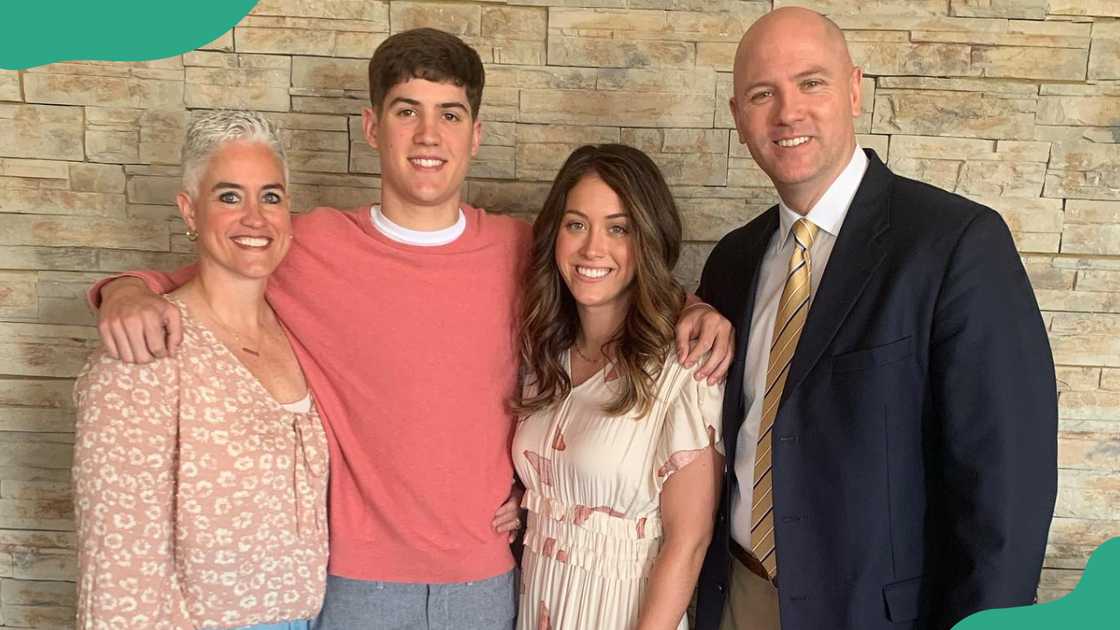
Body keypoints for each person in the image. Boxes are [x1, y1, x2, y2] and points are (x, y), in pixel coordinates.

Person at [88, 29, 734, 630]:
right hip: (356, 582)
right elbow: (208, 271)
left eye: (449, 114)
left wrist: (692, 308)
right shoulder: (306, 244)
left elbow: (606, 271)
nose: (429, 134)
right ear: (373, 126)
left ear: (475, 133)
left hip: (486, 579)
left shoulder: (517, 248)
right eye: (406, 111)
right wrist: (121, 290)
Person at [692, 7, 1058, 630]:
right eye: (762, 94)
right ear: (738, 117)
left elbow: (1008, 492)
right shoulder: (733, 261)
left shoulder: (955, 243)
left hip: (880, 615)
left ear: (855, 89)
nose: (788, 112)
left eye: (812, 82)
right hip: (738, 599)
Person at [73, 110, 328, 629]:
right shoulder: (144, 353)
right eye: (229, 197)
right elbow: (117, 573)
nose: (255, 218)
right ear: (190, 212)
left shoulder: (299, 331)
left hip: (308, 617)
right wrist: (124, 291)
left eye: (271, 196)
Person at [514, 144, 724, 630]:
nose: (592, 249)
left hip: (624, 611)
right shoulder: (546, 351)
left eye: (618, 228)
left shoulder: (683, 367)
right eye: (576, 225)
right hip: (539, 603)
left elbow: (687, 542)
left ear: (647, 238)